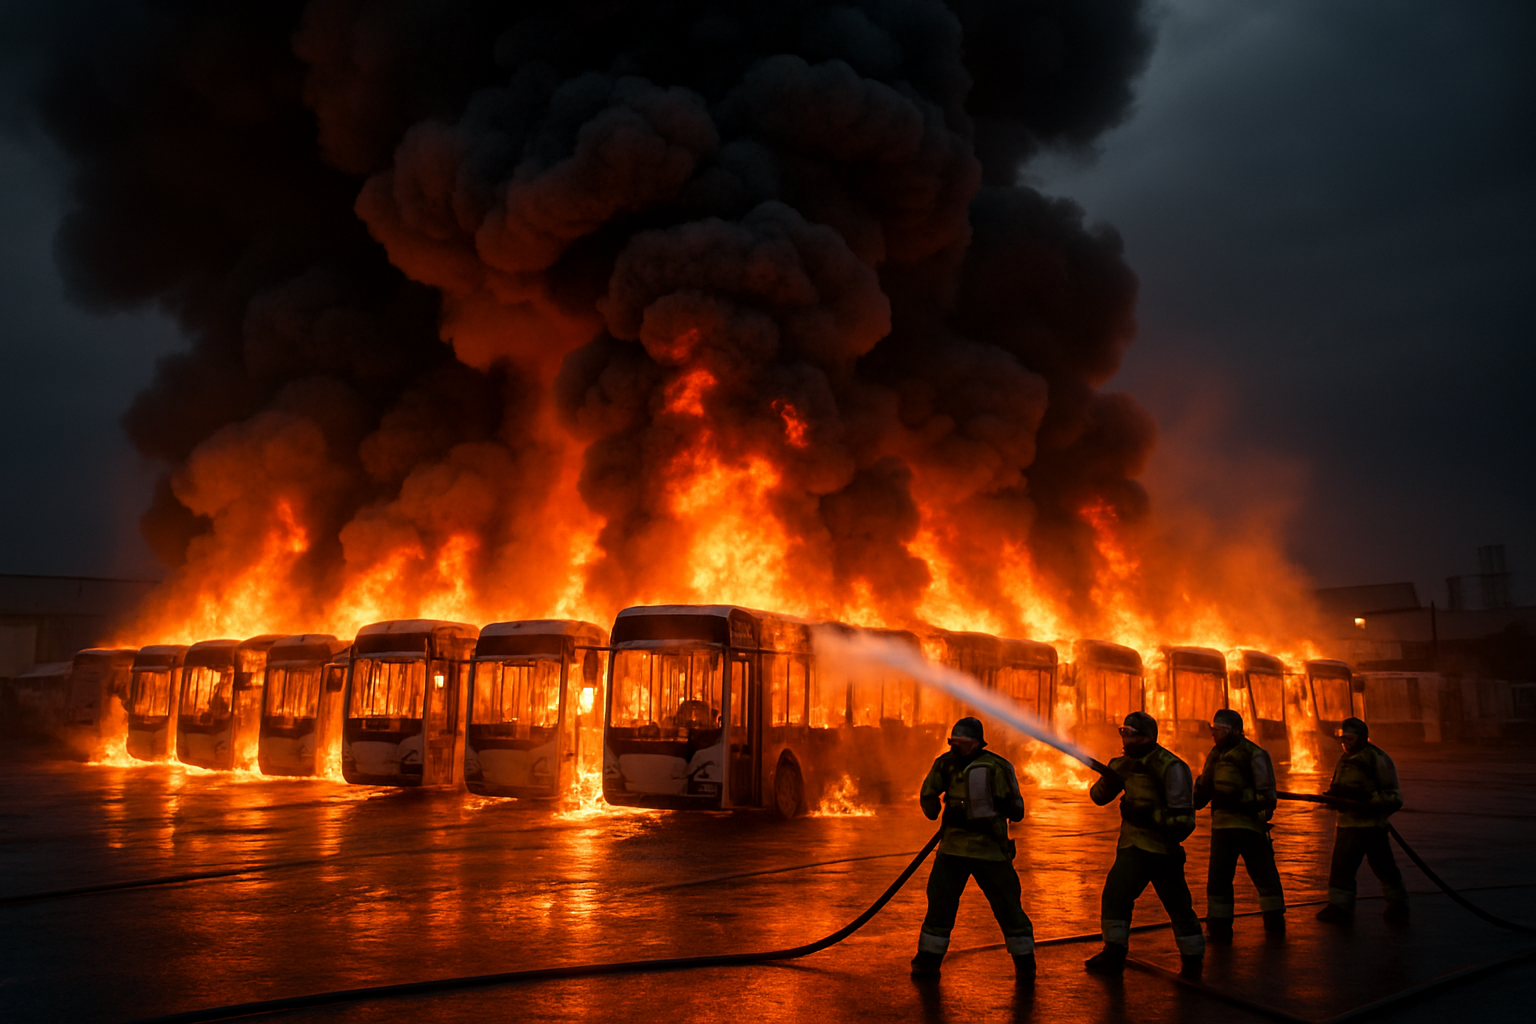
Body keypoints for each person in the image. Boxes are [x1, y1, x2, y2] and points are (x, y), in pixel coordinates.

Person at [911, 717, 1034, 981]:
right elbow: (928, 794)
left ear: (977, 743)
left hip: (989, 850)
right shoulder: (945, 764)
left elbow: (1017, 809)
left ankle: (1025, 964)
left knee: (1008, 906)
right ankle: (927, 961)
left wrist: (994, 806)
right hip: (952, 850)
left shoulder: (997, 767)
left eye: (963, 744)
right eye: (953, 743)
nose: (957, 749)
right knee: (939, 905)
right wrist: (935, 809)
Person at [1085, 711, 1206, 978]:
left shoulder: (1171, 767)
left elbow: (1185, 821)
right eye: (1123, 733)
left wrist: (1149, 816)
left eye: (1130, 734)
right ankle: (1114, 952)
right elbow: (1097, 797)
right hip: (1132, 849)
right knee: (1115, 896)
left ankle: (1193, 956)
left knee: (1178, 905)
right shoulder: (1124, 764)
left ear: (1147, 737)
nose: (1125, 740)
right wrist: (1111, 777)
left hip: (1163, 852)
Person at [1192, 709, 1285, 940]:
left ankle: (1274, 921)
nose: (1214, 735)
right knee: (1218, 880)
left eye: (1219, 731)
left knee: (1264, 876)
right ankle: (1219, 927)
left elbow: (1268, 799)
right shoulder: (1215, 754)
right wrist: (1191, 797)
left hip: (1250, 828)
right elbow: (1204, 786)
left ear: (1233, 731)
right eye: (1212, 730)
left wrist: (1236, 800)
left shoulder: (1254, 755)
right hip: (1222, 829)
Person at [1316, 717, 1408, 924]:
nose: (1345, 743)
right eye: (1343, 739)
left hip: (1372, 827)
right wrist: (1333, 797)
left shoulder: (1377, 758)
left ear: (1361, 738)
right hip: (1347, 826)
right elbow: (1338, 787)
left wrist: (1367, 801)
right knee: (1341, 868)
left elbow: (1394, 797)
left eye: (1349, 739)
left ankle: (1397, 905)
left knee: (1383, 867)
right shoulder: (1344, 760)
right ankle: (1339, 907)